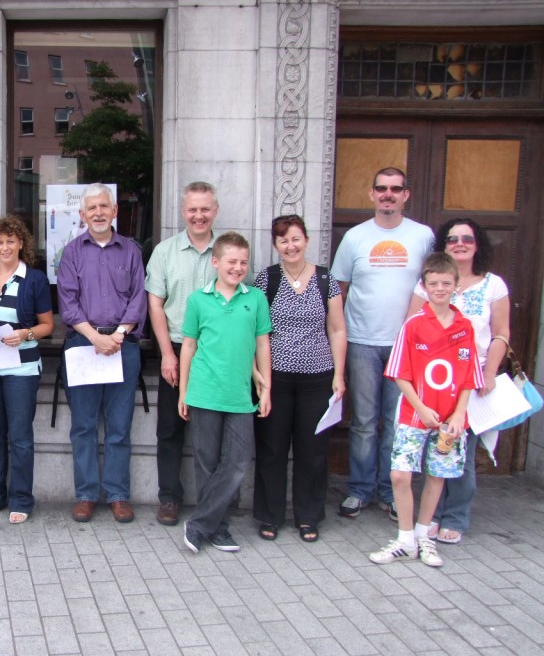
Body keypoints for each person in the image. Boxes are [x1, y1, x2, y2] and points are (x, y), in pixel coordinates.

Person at [331, 167, 434, 519]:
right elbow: (338, 292)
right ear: (371, 194)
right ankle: (360, 490)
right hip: (361, 342)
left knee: (397, 422)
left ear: (406, 195)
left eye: (396, 189)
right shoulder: (355, 238)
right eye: (381, 188)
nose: (388, 194)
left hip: (407, 346)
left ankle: (391, 492)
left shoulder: (423, 236)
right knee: (362, 421)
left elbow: (435, 286)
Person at [370, 253, 482, 568]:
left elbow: (468, 378)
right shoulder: (414, 326)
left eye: (447, 283)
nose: (440, 288)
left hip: (449, 420)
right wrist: (420, 406)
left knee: (437, 475)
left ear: (456, 286)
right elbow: (401, 374)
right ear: (425, 286)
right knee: (400, 474)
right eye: (434, 283)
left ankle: (423, 536)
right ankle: (404, 539)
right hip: (414, 415)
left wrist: (460, 413)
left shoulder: (465, 327)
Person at [405, 218, 509, 545]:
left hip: (471, 380)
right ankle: (432, 515)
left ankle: (456, 515)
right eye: (452, 239)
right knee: (435, 449)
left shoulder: (494, 285)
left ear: (478, 244)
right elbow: (412, 328)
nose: (459, 243)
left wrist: (489, 372)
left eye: (467, 238)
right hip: (433, 383)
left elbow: (501, 333)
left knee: (461, 453)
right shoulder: (429, 284)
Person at [252, 215, 346, 543]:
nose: (290, 246)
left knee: (312, 450)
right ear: (275, 245)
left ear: (306, 240)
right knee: (272, 449)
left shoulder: (325, 279)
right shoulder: (267, 279)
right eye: (283, 240)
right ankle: (269, 515)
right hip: (275, 378)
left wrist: (339, 375)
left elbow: (336, 329)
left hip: (317, 378)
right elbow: (256, 331)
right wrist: (259, 377)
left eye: (295, 239)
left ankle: (309, 516)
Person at [57, 183, 146, 524]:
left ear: (114, 211)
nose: (98, 212)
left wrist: (118, 335)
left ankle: (119, 495)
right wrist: (96, 337)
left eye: (103, 206)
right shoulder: (72, 252)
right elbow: (67, 302)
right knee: (83, 426)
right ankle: (86, 494)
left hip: (123, 346)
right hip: (83, 344)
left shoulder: (131, 251)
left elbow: (139, 297)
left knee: (120, 427)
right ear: (82, 215)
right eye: (91, 208)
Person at [180, 232, 272, 553]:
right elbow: (189, 346)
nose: (237, 268)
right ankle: (218, 529)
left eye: (243, 262)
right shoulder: (198, 300)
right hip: (204, 392)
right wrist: (183, 393)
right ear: (216, 262)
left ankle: (198, 524)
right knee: (206, 464)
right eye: (231, 261)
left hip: (239, 396)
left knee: (235, 464)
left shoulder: (255, 299)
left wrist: (266, 387)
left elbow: (261, 344)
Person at [0, 216, 54, 524]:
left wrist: (25, 334)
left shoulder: (35, 279)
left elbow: (48, 325)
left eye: (10, 241)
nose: (5, 247)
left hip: (22, 369)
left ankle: (21, 499)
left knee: (19, 436)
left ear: (21, 244)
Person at [145, 181, 221, 526]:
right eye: (193, 209)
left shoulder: (227, 250)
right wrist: (166, 354)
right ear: (183, 211)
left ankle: (215, 499)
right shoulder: (165, 251)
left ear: (214, 211)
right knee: (170, 429)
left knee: (212, 431)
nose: (199, 215)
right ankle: (170, 498)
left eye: (205, 209)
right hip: (175, 348)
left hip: (215, 353)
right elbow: (155, 305)